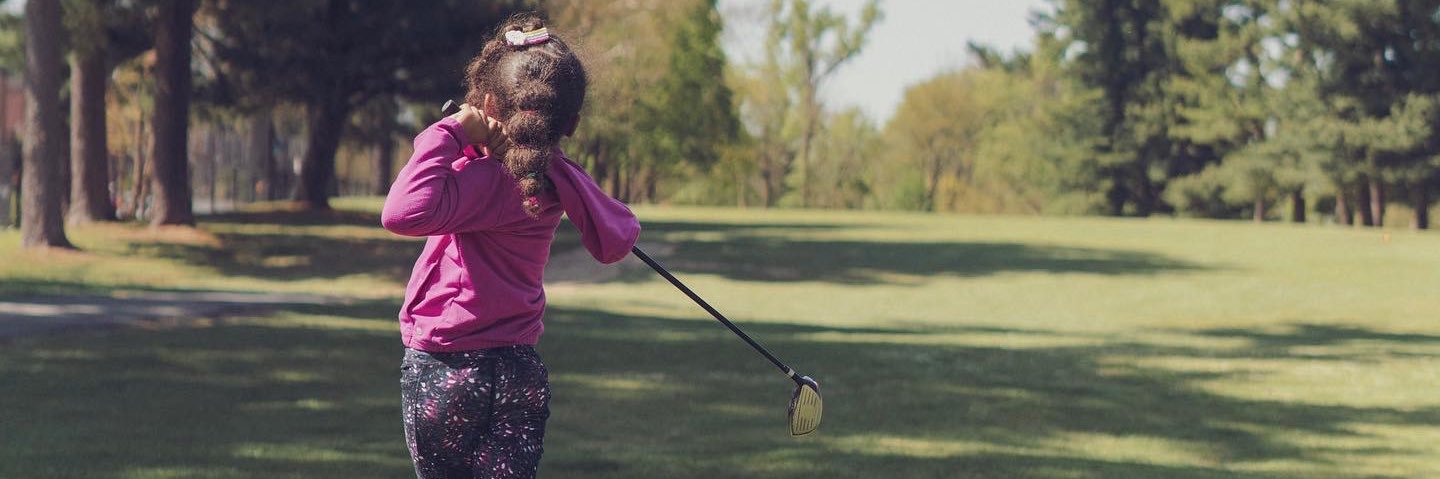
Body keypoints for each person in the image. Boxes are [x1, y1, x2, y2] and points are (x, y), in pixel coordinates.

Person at [380, 12, 640, 479]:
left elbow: (401, 211)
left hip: (448, 370)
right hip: (520, 373)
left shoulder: (479, 185)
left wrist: (453, 131)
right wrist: (561, 167)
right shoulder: (556, 181)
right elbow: (617, 238)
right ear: (572, 123)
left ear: (484, 105)